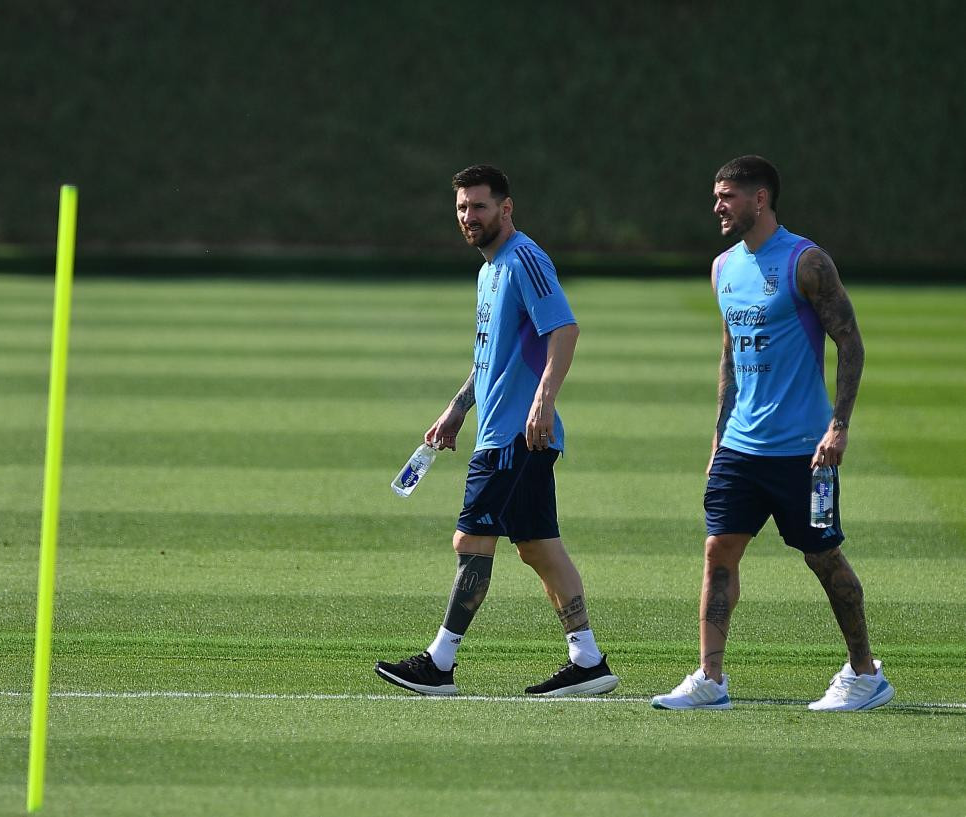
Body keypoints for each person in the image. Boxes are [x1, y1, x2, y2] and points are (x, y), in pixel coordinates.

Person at [651, 155, 895, 712]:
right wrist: (718, 439)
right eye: (716, 196)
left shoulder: (806, 262)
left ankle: (865, 675)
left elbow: (851, 343)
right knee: (718, 553)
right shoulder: (722, 268)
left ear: (759, 199)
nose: (717, 205)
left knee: (824, 558)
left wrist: (839, 426)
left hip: (803, 452)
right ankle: (710, 680)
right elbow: (730, 359)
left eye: (727, 196)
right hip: (740, 447)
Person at [374, 165, 619, 697]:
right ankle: (588, 661)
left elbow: (565, 329)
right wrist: (458, 407)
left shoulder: (524, 259)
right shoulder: (490, 270)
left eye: (479, 206)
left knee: (472, 539)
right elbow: (492, 356)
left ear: (506, 209)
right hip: (503, 429)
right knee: (537, 547)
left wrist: (543, 401)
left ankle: (439, 663)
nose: (468, 216)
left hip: (514, 433)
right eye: (462, 207)